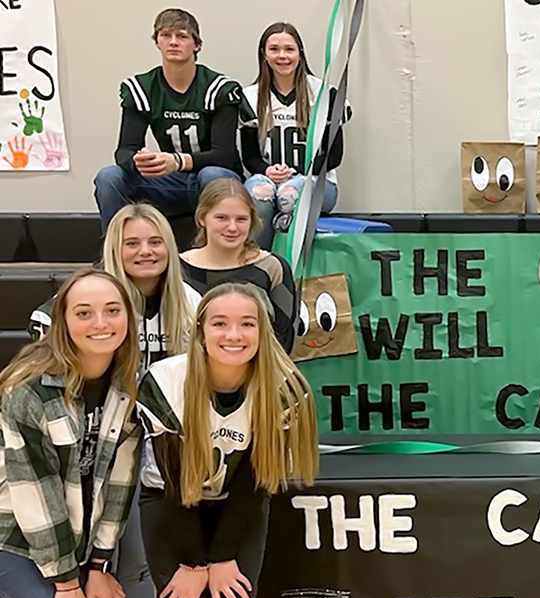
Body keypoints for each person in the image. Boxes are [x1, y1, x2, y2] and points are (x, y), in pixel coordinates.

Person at [28, 204, 201, 598]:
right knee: (101, 571)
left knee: (140, 564)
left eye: (155, 241)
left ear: (170, 247)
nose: (145, 251)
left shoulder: (189, 303)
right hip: (87, 460)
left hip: (157, 456)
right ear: (113, 250)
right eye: (132, 242)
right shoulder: (84, 301)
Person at [136, 283, 319, 598]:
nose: (233, 334)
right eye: (220, 323)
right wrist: (194, 564)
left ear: (264, 332)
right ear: (200, 332)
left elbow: (255, 483)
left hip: (239, 505)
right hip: (170, 505)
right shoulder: (165, 383)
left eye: (247, 323)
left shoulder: (283, 388)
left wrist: (220, 558)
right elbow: (172, 484)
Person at [0, 269, 143, 598]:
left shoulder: (128, 389)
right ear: (63, 322)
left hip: (72, 548)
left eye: (112, 310)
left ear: (128, 320)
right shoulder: (28, 392)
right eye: (84, 313)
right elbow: (35, 494)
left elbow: (118, 489)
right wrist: (67, 583)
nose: (100, 322)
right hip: (13, 541)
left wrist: (97, 568)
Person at [93, 8, 243, 235]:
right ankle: (115, 257)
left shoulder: (219, 88)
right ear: (156, 42)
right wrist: (141, 161)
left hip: (212, 181)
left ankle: (218, 260)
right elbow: (124, 150)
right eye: (166, 35)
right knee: (109, 177)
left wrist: (178, 161)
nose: (173, 42)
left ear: (197, 44)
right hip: (169, 182)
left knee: (212, 175)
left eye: (182, 36)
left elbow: (225, 155)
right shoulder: (142, 88)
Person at [240, 22, 352, 250]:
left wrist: (296, 173)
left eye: (289, 49)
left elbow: (334, 155)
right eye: (274, 49)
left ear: (300, 54)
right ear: (264, 55)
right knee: (259, 193)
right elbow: (249, 155)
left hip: (318, 181)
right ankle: (263, 263)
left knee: (289, 194)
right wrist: (267, 171)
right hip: (268, 178)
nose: (282, 56)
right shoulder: (250, 97)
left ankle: (292, 266)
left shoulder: (324, 94)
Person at [180, 179, 298, 352]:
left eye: (241, 219)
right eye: (222, 218)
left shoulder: (272, 267)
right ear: (202, 218)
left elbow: (283, 335)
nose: (232, 227)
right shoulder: (177, 268)